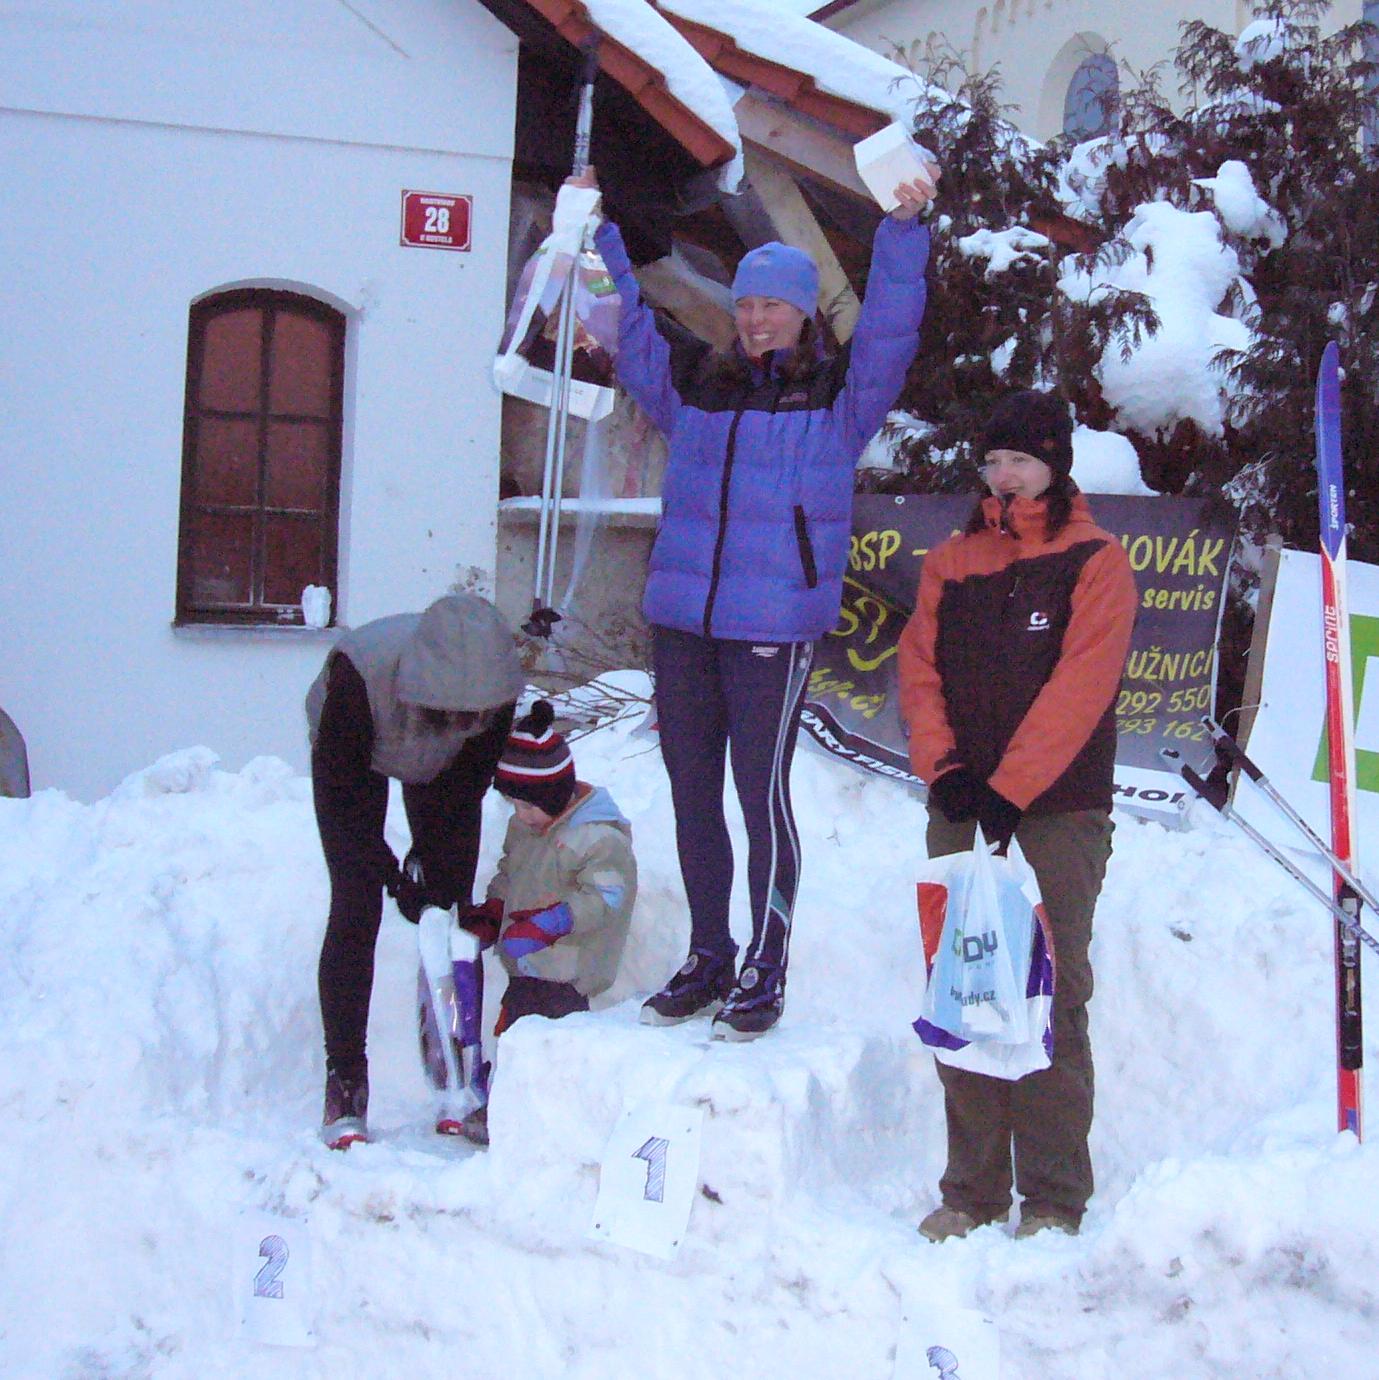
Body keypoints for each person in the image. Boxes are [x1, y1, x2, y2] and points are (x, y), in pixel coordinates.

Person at [577, 161, 936, 1040]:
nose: (754, 318)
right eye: (745, 304)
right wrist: (595, 232)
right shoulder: (699, 387)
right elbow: (628, 333)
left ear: (803, 311)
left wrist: (901, 233)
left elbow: (890, 328)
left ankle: (765, 966)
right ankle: (708, 954)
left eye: (771, 304)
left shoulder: (839, 399)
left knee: (757, 793)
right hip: (683, 625)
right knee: (692, 794)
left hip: (770, 628)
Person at [897, 389, 1138, 1241]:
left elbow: (1081, 685)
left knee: (1049, 992)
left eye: (1020, 460)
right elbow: (917, 671)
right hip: (963, 809)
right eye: (992, 460)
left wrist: (1012, 788)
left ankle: (1052, 1195)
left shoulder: (1095, 560)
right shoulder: (951, 560)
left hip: (1057, 811)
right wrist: (946, 770)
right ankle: (970, 1191)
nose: (1003, 475)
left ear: (1054, 465)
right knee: (961, 988)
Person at [305, 592, 524, 1149]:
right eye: (452, 715)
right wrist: (393, 876)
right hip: (358, 751)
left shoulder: (493, 695)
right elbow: (348, 814)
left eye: (474, 717)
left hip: (441, 773)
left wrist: (428, 859)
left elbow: (464, 789)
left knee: (449, 912)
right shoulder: (356, 681)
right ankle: (345, 1077)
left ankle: (454, 1063)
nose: (466, 725)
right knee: (355, 904)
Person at [453, 699, 638, 1145]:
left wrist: (551, 923)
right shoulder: (527, 828)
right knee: (513, 1035)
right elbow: (509, 873)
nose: (520, 815)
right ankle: (506, 1107)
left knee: (556, 1045)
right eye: (513, 804)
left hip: (568, 971)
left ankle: (554, 1118)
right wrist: (494, 909)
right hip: (526, 964)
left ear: (554, 795)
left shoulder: (598, 838)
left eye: (527, 806)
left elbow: (608, 897)